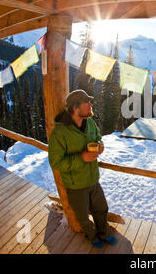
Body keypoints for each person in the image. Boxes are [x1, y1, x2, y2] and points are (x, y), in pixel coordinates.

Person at [48, 89, 117, 248]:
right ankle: (92, 237)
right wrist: (81, 158)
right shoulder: (59, 133)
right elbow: (55, 162)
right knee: (83, 217)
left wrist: (100, 145)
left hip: (93, 179)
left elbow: (98, 136)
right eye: (87, 102)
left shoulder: (90, 122)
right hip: (76, 185)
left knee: (101, 209)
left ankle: (104, 233)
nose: (91, 104)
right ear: (75, 108)